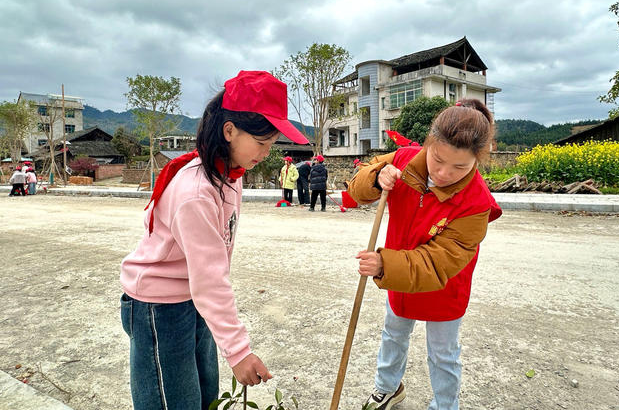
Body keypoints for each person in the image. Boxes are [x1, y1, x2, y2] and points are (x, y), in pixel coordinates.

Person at [119, 70, 309, 410]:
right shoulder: (196, 191)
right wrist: (239, 351)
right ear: (230, 130)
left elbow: (209, 272)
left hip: (193, 299)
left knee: (205, 398)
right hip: (159, 308)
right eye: (261, 143)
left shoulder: (229, 175)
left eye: (271, 144)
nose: (266, 153)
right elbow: (210, 278)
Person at [348, 99, 502, 410]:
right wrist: (376, 176)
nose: (444, 173)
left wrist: (383, 264)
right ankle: (387, 388)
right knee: (393, 335)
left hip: (444, 287)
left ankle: (445, 405)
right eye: (438, 159)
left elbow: (438, 261)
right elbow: (356, 187)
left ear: (478, 159)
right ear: (429, 143)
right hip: (399, 280)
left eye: (460, 166)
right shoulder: (405, 158)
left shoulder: (477, 203)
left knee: (443, 353)